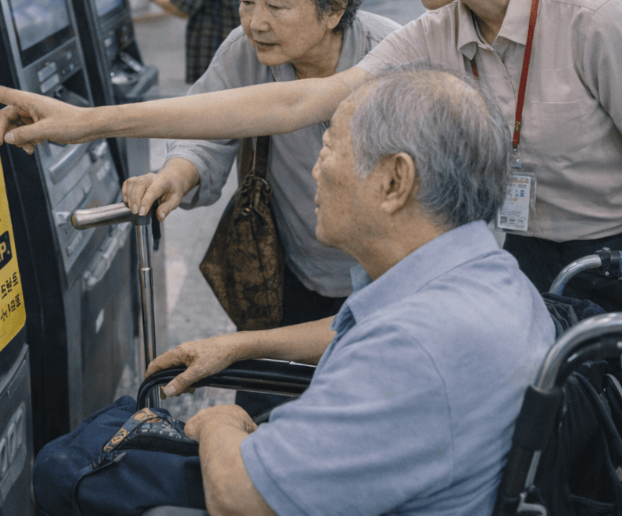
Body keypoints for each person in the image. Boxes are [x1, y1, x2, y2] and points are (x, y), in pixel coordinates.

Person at [0, 0, 622, 311]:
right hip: (523, 255)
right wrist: (86, 123)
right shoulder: (437, 32)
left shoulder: (590, 21)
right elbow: (296, 100)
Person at [142, 66, 554, 516]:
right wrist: (238, 346)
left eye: (329, 147)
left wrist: (220, 422)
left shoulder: (413, 349)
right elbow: (352, 333)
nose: (315, 171)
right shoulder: (492, 277)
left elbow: (239, 498)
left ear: (395, 181)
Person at [123, 0, 398, 333]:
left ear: (333, 9)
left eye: (275, 4)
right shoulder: (243, 52)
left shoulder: (392, 60)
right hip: (287, 271)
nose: (255, 23)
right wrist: (173, 177)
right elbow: (208, 130)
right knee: (264, 388)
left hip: (389, 281)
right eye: (247, 2)